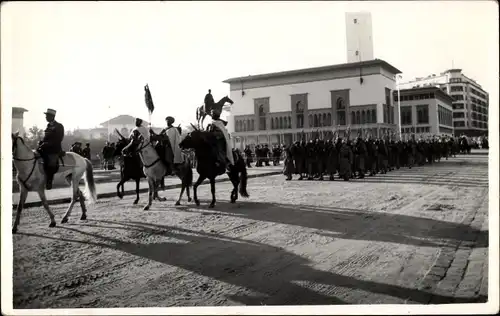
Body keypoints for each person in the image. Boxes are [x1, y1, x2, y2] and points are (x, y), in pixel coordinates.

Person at [37, 108, 65, 190]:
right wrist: (41, 142)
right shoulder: (48, 126)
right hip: (45, 148)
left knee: (50, 164)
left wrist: (47, 144)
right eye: (46, 116)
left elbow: (59, 139)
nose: (46, 117)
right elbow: (46, 138)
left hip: (54, 149)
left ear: (52, 116)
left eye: (47, 116)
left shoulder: (59, 126)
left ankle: (49, 181)